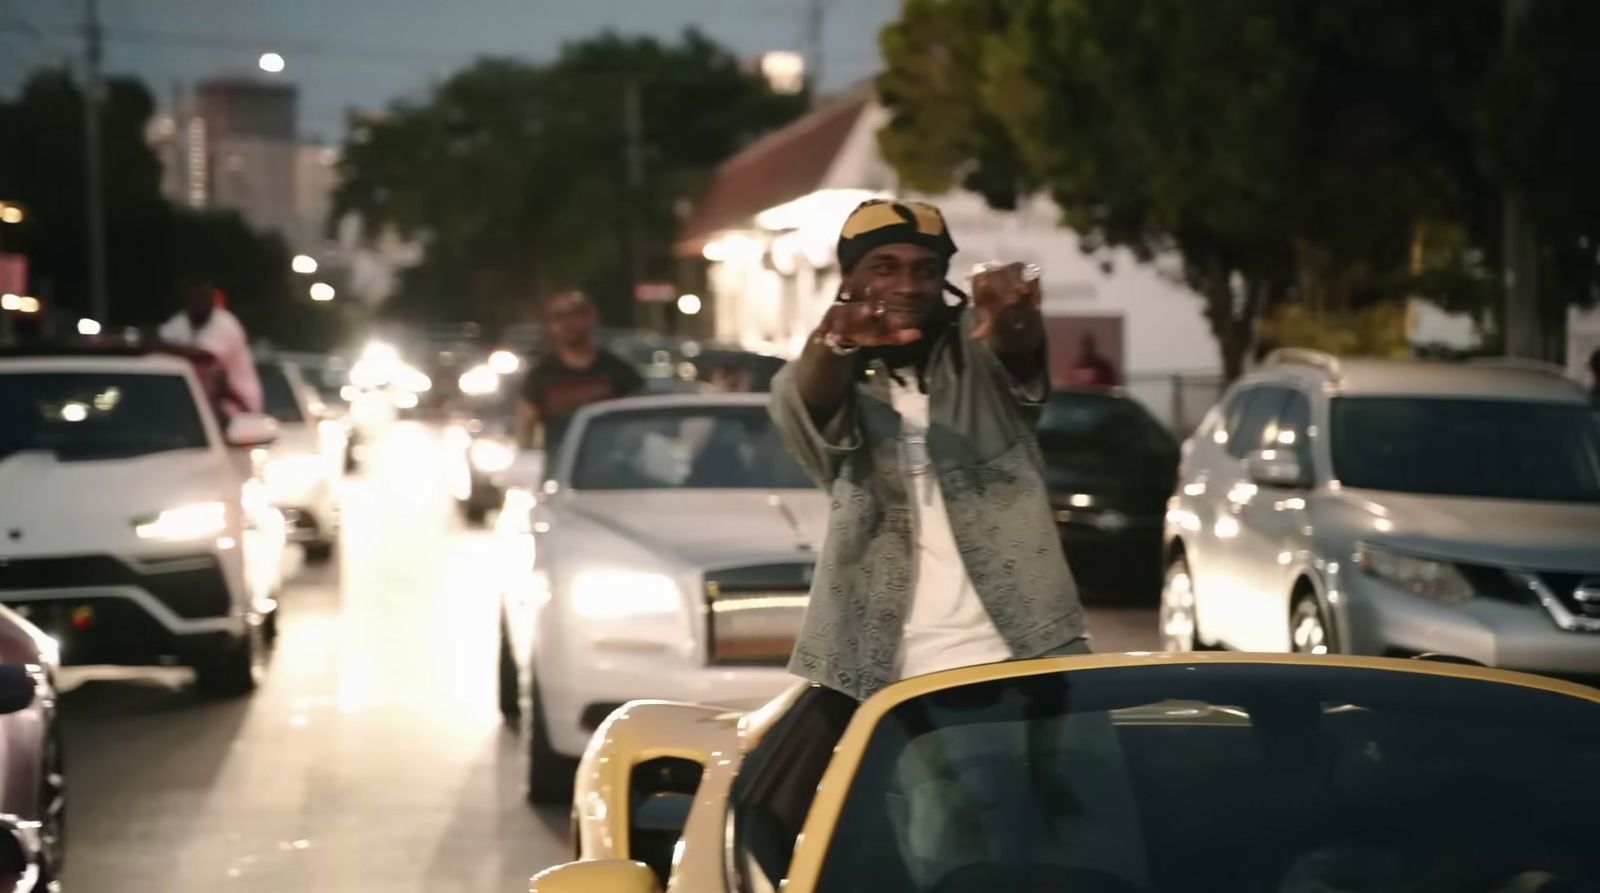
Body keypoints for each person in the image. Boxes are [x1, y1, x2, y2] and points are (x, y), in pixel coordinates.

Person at [744, 199, 1134, 889]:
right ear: (850, 277)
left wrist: (1013, 312)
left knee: (1087, 846)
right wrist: (839, 339)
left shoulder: (979, 361)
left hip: (1034, 651)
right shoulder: (816, 377)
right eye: (884, 267)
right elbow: (812, 404)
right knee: (957, 855)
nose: (907, 284)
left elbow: (1018, 350)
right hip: (901, 676)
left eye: (926, 269)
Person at [516, 290, 643, 454]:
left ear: (591, 318)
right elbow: (525, 429)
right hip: (562, 469)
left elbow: (639, 422)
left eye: (574, 315)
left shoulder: (617, 370)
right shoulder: (540, 376)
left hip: (612, 468)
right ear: (549, 325)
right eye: (558, 317)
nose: (567, 323)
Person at [158, 275, 262, 414]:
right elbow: (160, 338)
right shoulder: (182, 321)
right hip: (199, 403)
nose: (199, 301)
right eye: (195, 296)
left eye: (203, 296)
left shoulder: (225, 323)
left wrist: (157, 347)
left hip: (238, 406)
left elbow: (204, 356)